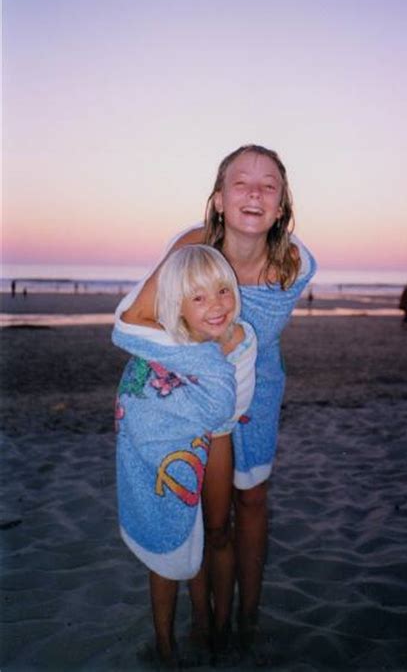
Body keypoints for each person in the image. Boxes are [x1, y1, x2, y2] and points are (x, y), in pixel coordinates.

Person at [118, 144, 317, 663]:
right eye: (241, 183)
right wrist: (205, 364)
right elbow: (139, 318)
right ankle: (203, 621)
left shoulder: (292, 263)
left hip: (258, 384)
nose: (255, 191)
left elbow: (260, 337)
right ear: (220, 200)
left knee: (250, 500)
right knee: (202, 512)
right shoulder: (193, 245)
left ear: (281, 206)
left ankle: (245, 619)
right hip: (189, 387)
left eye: (269, 184)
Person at [113, 245, 257, 666]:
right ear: (176, 304)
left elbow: (227, 409)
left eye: (223, 291)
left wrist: (219, 357)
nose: (217, 306)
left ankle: (217, 624)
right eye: (198, 297)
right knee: (169, 542)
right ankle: (167, 641)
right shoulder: (163, 341)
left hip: (218, 439)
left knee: (217, 530)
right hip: (167, 449)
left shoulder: (242, 340)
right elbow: (124, 334)